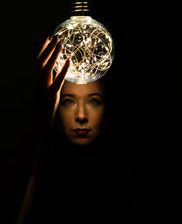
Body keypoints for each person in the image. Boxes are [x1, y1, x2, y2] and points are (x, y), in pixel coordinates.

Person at [16, 36, 142, 224]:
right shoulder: (37, 175)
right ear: (56, 107)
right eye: (69, 101)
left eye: (93, 101)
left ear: (107, 109)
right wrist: (39, 124)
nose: (81, 115)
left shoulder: (128, 179)